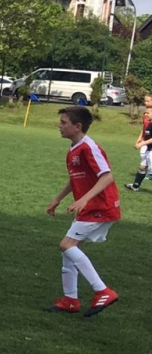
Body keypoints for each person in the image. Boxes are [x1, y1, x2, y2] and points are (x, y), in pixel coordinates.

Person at [44, 106, 120, 316]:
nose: (59, 126)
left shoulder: (89, 147)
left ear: (77, 126)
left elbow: (107, 177)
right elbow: (75, 178)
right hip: (90, 207)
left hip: (100, 206)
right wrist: (57, 199)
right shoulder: (73, 149)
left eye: (64, 122)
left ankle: (102, 291)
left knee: (66, 245)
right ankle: (70, 300)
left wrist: (83, 199)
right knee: (69, 251)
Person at [125, 96, 152, 191]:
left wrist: (141, 144)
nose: (145, 115)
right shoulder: (149, 123)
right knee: (142, 167)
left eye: (148, 113)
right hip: (148, 149)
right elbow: (145, 133)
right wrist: (140, 140)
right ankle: (135, 186)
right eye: (145, 113)